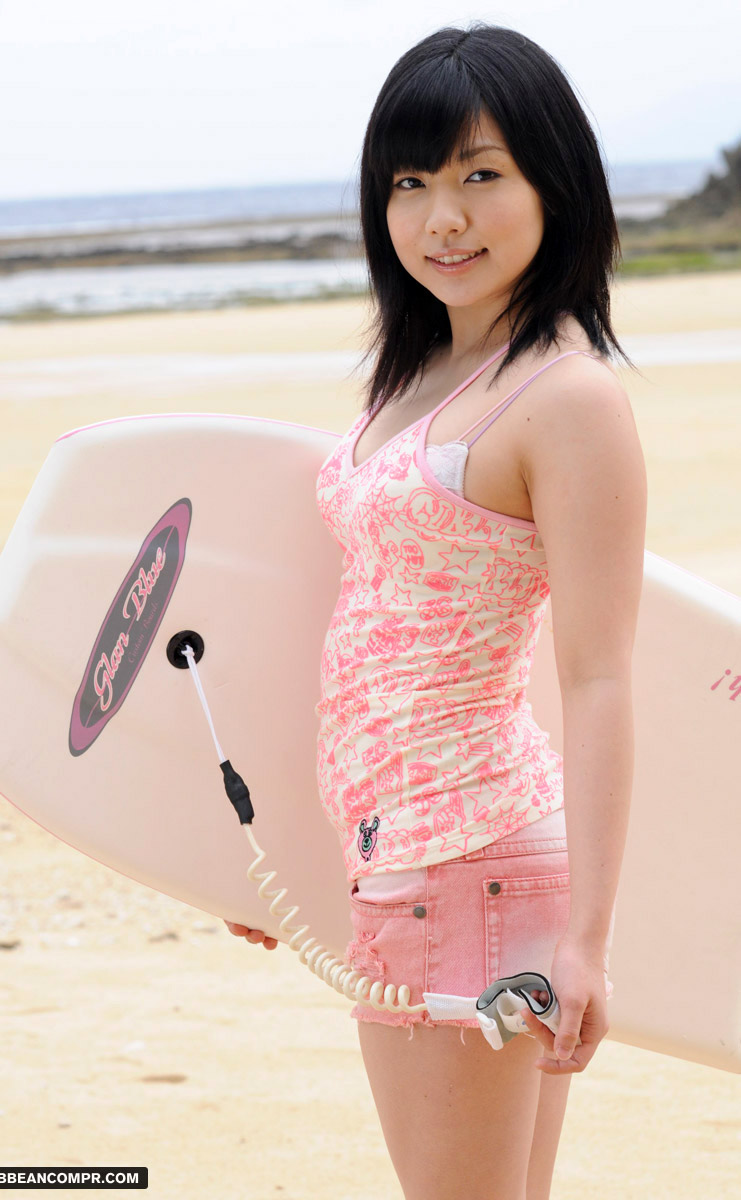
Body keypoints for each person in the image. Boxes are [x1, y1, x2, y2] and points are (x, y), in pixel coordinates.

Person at [226, 21, 647, 1200]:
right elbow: (359, 639)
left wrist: (587, 940)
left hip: (469, 861)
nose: (440, 218)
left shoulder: (563, 398)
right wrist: (288, 863)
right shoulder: (416, 378)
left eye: (479, 175)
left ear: (553, 184)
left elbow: (598, 676)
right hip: (405, 862)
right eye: (408, 184)